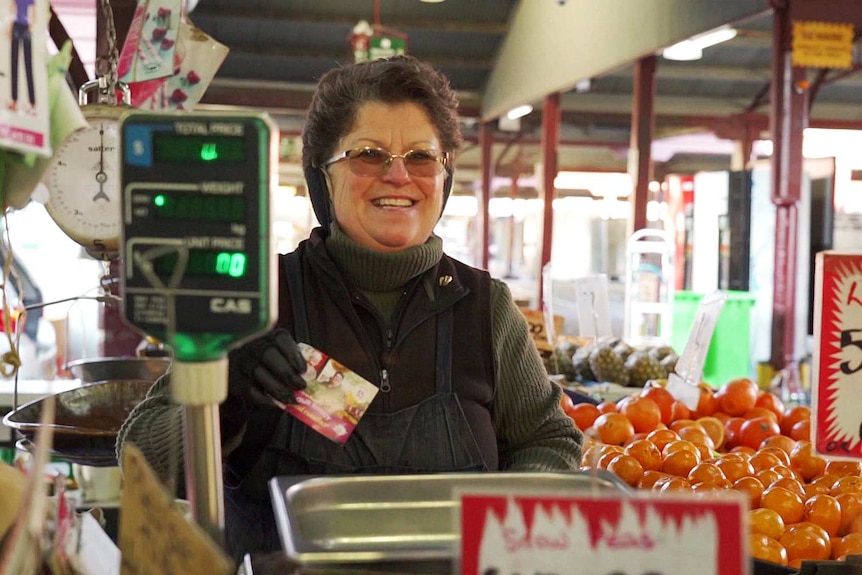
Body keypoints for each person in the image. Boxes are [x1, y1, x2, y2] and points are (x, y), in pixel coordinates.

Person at [116, 54, 583, 562]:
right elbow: (137, 459)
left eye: (422, 157)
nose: (398, 176)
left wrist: (501, 531)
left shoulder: (484, 309)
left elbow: (551, 441)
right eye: (368, 154)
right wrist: (223, 387)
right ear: (322, 179)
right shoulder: (255, 297)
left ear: (444, 178)